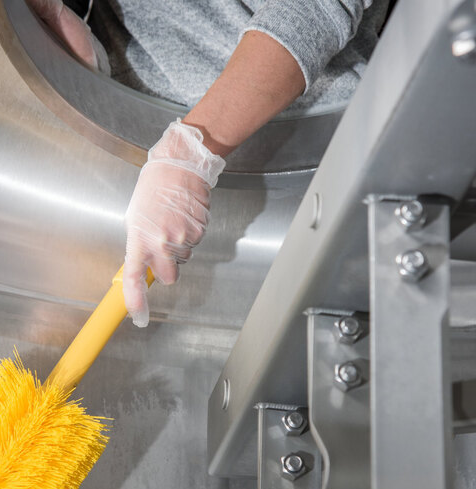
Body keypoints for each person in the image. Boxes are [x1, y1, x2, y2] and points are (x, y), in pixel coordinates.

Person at [30, 0, 389, 326]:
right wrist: (65, 12)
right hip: (121, 128)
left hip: (287, 164)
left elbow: (316, 8)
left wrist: (192, 153)